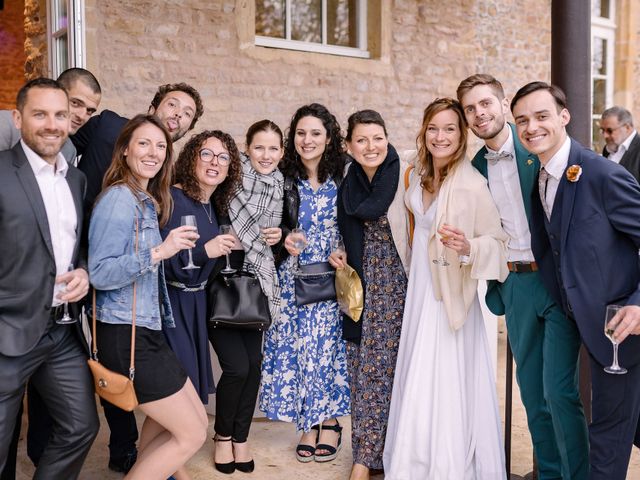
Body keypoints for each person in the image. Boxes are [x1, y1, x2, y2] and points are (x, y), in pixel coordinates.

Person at [457, 74, 589, 479]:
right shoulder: (474, 167)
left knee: (560, 392)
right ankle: (548, 473)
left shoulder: (537, 146)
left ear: (502, 105)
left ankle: (578, 475)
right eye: (470, 109)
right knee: (531, 394)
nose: (480, 114)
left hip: (555, 283)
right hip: (513, 284)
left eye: (486, 104)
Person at [512, 81, 640, 480]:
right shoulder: (541, 177)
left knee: (607, 434)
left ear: (564, 117)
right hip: (576, 318)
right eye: (522, 120)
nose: (531, 127)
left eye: (541, 115)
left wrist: (638, 303)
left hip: (620, 327)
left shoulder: (603, 174)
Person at [73, 81, 203, 473]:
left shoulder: (146, 200)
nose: (153, 152)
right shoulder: (117, 198)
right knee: (193, 434)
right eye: (144, 144)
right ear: (126, 149)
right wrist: (160, 251)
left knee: (181, 421)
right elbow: (100, 272)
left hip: (145, 330)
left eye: (160, 146)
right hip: (123, 333)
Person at [383, 98, 508, 479]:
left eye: (450, 128)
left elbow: (497, 241)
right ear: (424, 130)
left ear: (462, 134)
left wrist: (469, 247)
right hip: (419, 285)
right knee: (416, 366)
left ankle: (447, 463)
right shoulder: (416, 172)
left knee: (445, 373)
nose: (441, 136)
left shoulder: (471, 183)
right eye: (433, 128)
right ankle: (414, 455)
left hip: (450, 291)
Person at [0, 67, 101, 480]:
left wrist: (82, 272)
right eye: (40, 114)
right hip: (7, 332)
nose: (53, 124)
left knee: (81, 426)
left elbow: (73, 247)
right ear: (18, 119)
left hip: (60, 332)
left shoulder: (75, 179)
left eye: (61, 115)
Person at [259, 103, 350, 463]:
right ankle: (307, 422)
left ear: (329, 137)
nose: (307, 140)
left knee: (327, 350)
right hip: (291, 277)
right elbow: (269, 220)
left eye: (315, 133)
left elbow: (355, 221)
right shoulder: (281, 176)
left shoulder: (344, 173)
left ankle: (329, 420)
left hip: (332, 275)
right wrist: (283, 237)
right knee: (296, 350)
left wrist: (343, 247)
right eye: (300, 133)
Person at [332, 109, 411, 480]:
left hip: (395, 284)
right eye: (361, 139)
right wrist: (338, 248)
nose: (371, 146)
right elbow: (341, 226)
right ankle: (370, 453)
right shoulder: (349, 179)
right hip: (358, 282)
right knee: (358, 369)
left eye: (377, 137)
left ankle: (365, 459)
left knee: (380, 373)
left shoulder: (405, 173)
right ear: (349, 145)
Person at [209, 120, 284, 474]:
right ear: (247, 149)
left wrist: (281, 236)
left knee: (253, 367)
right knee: (236, 367)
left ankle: (242, 438)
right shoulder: (228, 182)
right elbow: (214, 222)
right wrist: (241, 238)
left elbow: (284, 239)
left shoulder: (281, 186)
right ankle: (222, 436)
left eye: (273, 149)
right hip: (221, 283)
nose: (266, 155)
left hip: (256, 284)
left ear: (281, 152)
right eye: (259, 148)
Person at [73, 82, 204, 210]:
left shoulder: (168, 173)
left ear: (188, 129)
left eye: (187, 113)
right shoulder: (107, 125)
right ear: (152, 110)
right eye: (172, 104)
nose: (179, 114)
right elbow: (61, 148)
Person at [0, 67, 102, 162]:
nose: (82, 116)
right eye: (75, 103)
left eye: (89, 111)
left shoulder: (69, 150)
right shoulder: (6, 125)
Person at [600, 106, 640, 182]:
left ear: (627, 128)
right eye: (602, 130)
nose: (605, 135)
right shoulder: (607, 149)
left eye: (609, 130)